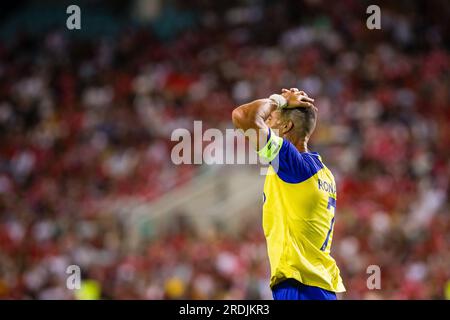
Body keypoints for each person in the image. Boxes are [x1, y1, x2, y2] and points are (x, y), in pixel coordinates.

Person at [231, 88, 345, 300]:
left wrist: (279, 100)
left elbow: (243, 116)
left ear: (287, 126)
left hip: (299, 286)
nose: (270, 115)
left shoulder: (293, 165)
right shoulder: (324, 173)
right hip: (320, 288)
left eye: (277, 114)